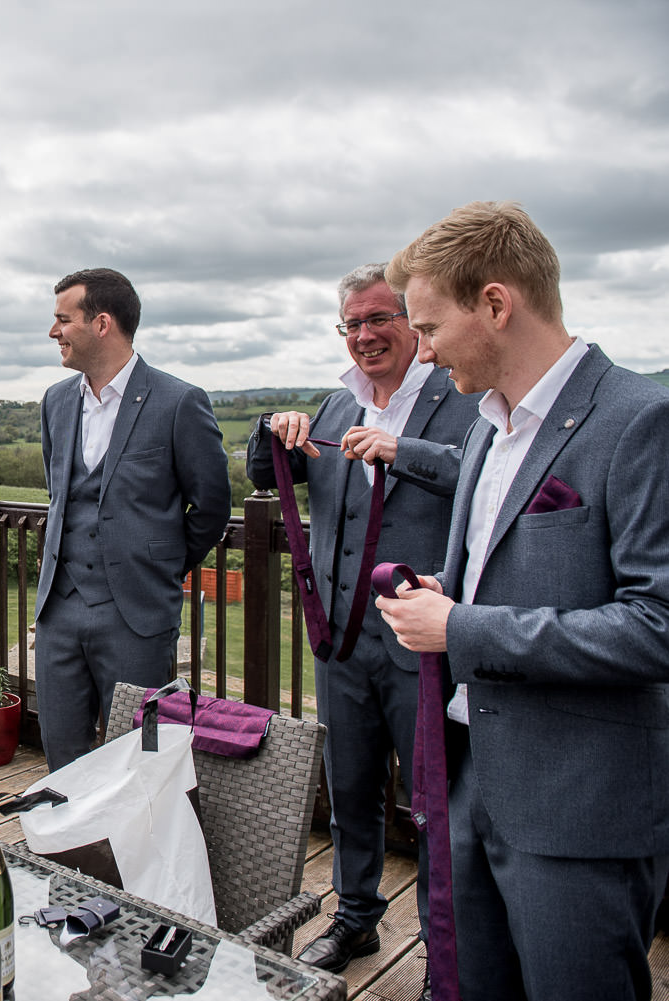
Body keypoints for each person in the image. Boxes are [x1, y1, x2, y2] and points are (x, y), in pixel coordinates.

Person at [376, 201, 669, 1001]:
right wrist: (450, 591)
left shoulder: (640, 420)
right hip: (473, 788)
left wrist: (461, 625)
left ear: (497, 304)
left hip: (579, 810)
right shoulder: (484, 427)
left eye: (431, 328)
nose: (424, 354)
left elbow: (657, 626)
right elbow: (502, 574)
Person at [246, 264, 478, 978]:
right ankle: (356, 918)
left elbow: (481, 468)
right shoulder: (336, 406)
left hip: (425, 642)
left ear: (414, 323)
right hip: (341, 642)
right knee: (348, 788)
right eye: (352, 323)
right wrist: (272, 429)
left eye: (380, 318)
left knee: (436, 802)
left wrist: (399, 449)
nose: (365, 335)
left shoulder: (459, 398)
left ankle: (450, 945)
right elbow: (265, 474)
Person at [34, 268, 230, 771]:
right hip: (59, 612)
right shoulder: (56, 401)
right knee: (63, 761)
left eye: (62, 319)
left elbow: (210, 508)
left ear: (102, 324)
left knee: (137, 764)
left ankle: (134, 854)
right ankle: (67, 852)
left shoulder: (178, 401)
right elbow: (63, 494)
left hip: (136, 615)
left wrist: (158, 567)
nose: (53, 331)